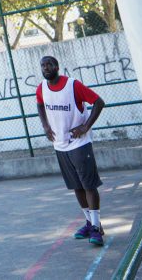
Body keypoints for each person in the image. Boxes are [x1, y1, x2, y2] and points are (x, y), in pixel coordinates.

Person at [36, 54, 107, 246]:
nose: (46, 68)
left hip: (79, 143)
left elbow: (99, 102)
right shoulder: (41, 88)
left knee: (88, 186)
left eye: (49, 64)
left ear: (57, 67)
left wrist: (86, 127)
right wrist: (45, 126)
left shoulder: (73, 85)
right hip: (59, 144)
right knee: (76, 186)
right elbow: (40, 105)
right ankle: (89, 222)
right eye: (43, 66)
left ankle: (96, 227)